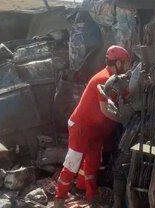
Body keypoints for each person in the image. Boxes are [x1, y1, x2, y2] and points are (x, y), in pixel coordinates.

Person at [54, 45, 131, 207]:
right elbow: (105, 111)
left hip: (95, 131)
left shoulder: (117, 79)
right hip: (81, 128)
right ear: (117, 63)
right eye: (125, 63)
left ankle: (90, 195)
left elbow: (127, 95)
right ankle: (59, 199)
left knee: (93, 163)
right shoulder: (103, 79)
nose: (127, 67)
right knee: (72, 163)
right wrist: (125, 118)